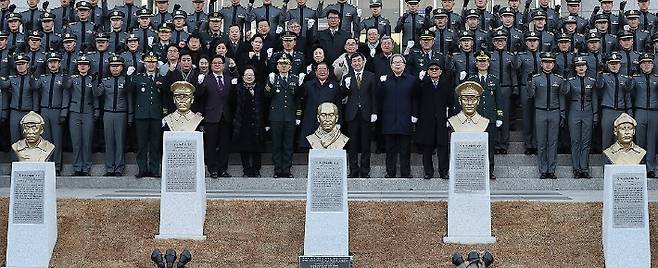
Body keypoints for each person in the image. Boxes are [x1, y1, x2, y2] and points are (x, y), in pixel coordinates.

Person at [196, 54, 236, 178]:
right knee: (211, 145)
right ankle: (212, 169)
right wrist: (200, 84)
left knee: (225, 144)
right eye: (214, 63)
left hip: (226, 116)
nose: (217, 65)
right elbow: (199, 96)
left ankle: (223, 169)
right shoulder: (206, 79)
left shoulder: (230, 79)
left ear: (223, 66)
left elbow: (233, 99)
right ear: (211, 65)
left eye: (219, 63)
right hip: (211, 116)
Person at [379, 54, 418, 178]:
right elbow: (378, 98)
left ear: (404, 65)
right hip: (389, 120)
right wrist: (381, 84)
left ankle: (405, 173)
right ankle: (390, 173)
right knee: (390, 149)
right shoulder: (385, 80)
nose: (397, 64)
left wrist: (414, 114)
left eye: (400, 62)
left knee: (405, 149)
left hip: (405, 119)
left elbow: (415, 99)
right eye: (394, 62)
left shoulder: (412, 80)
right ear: (391, 66)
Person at [94, 55, 132, 177]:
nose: (115, 69)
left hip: (121, 113)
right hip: (108, 113)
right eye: (112, 66)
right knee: (109, 141)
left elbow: (129, 99)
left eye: (117, 66)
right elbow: (97, 93)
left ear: (122, 67)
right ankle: (110, 168)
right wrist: (95, 81)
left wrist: (130, 116)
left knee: (120, 141)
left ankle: (119, 168)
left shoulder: (126, 80)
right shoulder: (105, 81)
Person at [528, 52, 565, 180]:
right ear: (541, 64)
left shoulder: (559, 79)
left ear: (553, 64)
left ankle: (552, 170)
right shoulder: (536, 78)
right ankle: (543, 170)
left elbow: (562, 97)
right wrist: (529, 82)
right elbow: (531, 95)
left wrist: (562, 114)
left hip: (554, 111)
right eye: (545, 62)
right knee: (542, 142)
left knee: (553, 142)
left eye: (550, 62)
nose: (548, 65)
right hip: (540, 111)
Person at [340, 53, 377, 178]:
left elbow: (374, 96)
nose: (356, 63)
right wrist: (346, 86)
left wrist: (374, 112)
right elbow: (342, 95)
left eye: (358, 60)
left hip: (366, 114)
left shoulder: (371, 76)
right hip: (352, 114)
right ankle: (353, 170)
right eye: (354, 61)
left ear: (363, 61)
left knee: (366, 144)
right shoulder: (347, 77)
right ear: (351, 64)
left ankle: (365, 170)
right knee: (353, 144)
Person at [130, 51, 165, 178]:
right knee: (142, 144)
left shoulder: (161, 78)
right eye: (148, 62)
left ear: (157, 64)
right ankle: (142, 169)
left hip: (156, 115)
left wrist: (164, 114)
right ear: (144, 64)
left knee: (155, 144)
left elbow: (165, 96)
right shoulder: (138, 77)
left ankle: (154, 170)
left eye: (153, 62)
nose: (151, 65)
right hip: (142, 115)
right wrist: (129, 77)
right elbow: (129, 90)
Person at [467, 50, 502, 180]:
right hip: (475, 118)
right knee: (475, 146)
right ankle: (474, 171)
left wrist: (499, 116)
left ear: (488, 63)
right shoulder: (471, 80)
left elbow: (499, 100)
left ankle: (489, 171)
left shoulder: (494, 80)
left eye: (484, 61)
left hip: (490, 119)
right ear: (475, 64)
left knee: (489, 147)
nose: (482, 64)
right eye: (480, 61)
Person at [265, 54, 301, 178]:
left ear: (290, 66)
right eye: (281, 64)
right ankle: (277, 169)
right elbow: (267, 96)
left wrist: (298, 116)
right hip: (276, 117)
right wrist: (270, 83)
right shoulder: (273, 78)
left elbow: (298, 100)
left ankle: (287, 170)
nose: (283, 66)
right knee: (276, 145)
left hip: (290, 117)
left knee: (288, 145)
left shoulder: (294, 79)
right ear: (277, 66)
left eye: (286, 64)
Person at [416, 59, 453, 179]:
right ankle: (428, 172)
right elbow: (414, 95)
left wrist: (450, 119)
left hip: (442, 120)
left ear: (441, 71)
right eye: (431, 69)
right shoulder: (423, 84)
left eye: (436, 69)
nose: (434, 71)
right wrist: (419, 80)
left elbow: (451, 102)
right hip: (426, 121)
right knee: (427, 148)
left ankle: (444, 172)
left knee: (443, 147)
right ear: (428, 71)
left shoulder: (446, 84)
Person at [563, 56, 597, 178]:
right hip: (574, 112)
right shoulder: (571, 80)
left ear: (586, 67)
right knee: (575, 140)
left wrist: (595, 116)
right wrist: (566, 79)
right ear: (575, 68)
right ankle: (576, 168)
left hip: (588, 112)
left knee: (586, 142)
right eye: (578, 65)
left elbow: (594, 99)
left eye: (583, 65)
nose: (581, 67)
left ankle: (584, 168)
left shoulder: (592, 81)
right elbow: (565, 93)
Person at [64, 54, 98, 176]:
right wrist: (66, 75)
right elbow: (66, 87)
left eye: (85, 65)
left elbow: (95, 96)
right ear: (77, 67)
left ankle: (86, 167)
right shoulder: (73, 79)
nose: (82, 67)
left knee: (87, 141)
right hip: (75, 111)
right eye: (80, 65)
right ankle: (77, 167)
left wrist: (96, 110)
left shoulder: (91, 79)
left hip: (88, 112)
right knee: (76, 141)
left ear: (89, 67)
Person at [35, 52, 67, 175]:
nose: (52, 64)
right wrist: (34, 75)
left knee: (57, 140)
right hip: (44, 111)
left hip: (57, 110)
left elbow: (65, 95)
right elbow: (35, 87)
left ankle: (57, 166)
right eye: (50, 62)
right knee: (45, 140)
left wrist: (64, 112)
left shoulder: (62, 78)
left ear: (59, 63)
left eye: (55, 62)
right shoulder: (43, 78)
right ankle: (47, 164)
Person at [628, 53, 658, 177]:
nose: (647, 65)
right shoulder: (636, 79)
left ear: (653, 64)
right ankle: (640, 166)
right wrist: (630, 79)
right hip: (640, 110)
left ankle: (650, 168)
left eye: (649, 63)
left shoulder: (657, 78)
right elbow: (629, 93)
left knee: (652, 140)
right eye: (644, 63)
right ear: (640, 65)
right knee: (640, 140)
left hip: (654, 111)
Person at [298, 61, 340, 149]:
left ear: (328, 72)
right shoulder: (308, 85)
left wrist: (338, 122)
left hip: (329, 121)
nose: (322, 71)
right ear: (316, 72)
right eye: (319, 69)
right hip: (311, 120)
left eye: (324, 69)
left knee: (328, 146)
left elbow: (338, 105)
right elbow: (300, 98)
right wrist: (300, 85)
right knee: (311, 146)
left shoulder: (335, 86)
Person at [233, 66, 266, 177]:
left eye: (251, 75)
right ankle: (246, 169)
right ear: (242, 77)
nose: (249, 77)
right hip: (243, 121)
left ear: (255, 77)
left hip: (257, 120)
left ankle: (256, 169)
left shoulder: (260, 88)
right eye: (247, 75)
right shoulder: (238, 88)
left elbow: (264, 105)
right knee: (244, 147)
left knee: (257, 146)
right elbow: (233, 104)